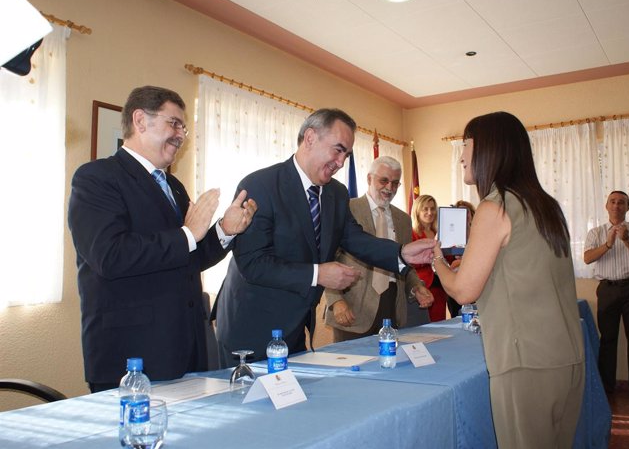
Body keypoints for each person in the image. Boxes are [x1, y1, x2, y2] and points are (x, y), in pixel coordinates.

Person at [68, 86, 257, 392]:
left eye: (184, 128)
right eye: (174, 124)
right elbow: (109, 255)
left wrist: (224, 230)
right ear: (140, 121)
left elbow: (188, 257)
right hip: (133, 356)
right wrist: (187, 234)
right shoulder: (96, 178)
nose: (181, 135)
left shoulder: (175, 186)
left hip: (187, 348)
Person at [214, 108, 435, 366]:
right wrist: (318, 274)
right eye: (338, 150)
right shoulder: (260, 185)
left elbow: (356, 239)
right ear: (310, 138)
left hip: (296, 327)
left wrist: (400, 253)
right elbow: (253, 264)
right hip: (251, 326)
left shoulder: (336, 194)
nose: (341, 162)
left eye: (347, 154)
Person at [431, 111, 584, 448]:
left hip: (526, 362)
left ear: (490, 149)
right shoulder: (545, 205)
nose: (461, 156)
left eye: (466, 145)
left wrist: (437, 261)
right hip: (567, 357)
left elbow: (463, 290)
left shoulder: (494, 207)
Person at [323, 156, 434, 341]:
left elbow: (404, 263)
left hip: (392, 308)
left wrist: (416, 286)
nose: (389, 188)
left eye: (395, 183)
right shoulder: (346, 209)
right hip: (352, 311)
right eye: (384, 180)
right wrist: (336, 301)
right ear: (369, 179)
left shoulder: (404, 220)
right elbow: (327, 260)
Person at [584, 190, 629, 403]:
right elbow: (587, 258)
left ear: (628, 208)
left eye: (621, 202)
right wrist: (608, 244)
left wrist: (627, 239)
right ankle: (606, 387)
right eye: (612, 201)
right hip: (607, 289)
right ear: (606, 206)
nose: (616, 205)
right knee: (608, 340)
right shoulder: (595, 233)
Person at [411, 195, 450, 322]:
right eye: (425, 209)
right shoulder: (412, 233)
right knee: (424, 325)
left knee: (440, 323)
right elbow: (409, 261)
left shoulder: (440, 232)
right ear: (417, 211)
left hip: (440, 284)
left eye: (433, 209)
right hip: (423, 286)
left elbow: (447, 258)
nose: (430, 212)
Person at [446, 200, 476, 317]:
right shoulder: (449, 233)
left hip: (475, 282)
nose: (464, 215)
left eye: (466, 212)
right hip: (455, 283)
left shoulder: (479, 233)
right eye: (460, 212)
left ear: (472, 214)